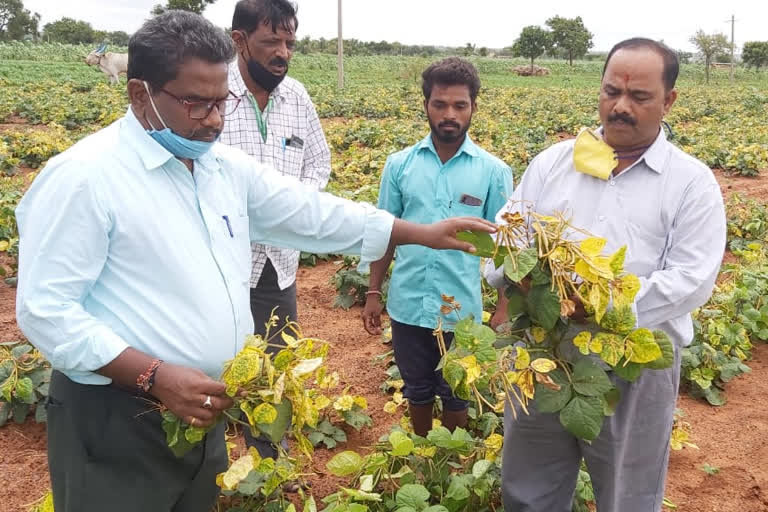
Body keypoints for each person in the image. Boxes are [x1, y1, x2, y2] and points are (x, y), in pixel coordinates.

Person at [15, 12, 495, 512]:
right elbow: (46, 310)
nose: (215, 119)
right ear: (140, 94)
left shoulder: (218, 165)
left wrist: (416, 232)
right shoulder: (84, 177)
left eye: (220, 102)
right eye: (195, 104)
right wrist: (153, 376)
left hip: (202, 412)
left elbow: (310, 212)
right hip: (119, 416)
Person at [485, 38, 726, 512]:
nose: (620, 107)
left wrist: (599, 305)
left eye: (639, 97)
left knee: (627, 495)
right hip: (541, 352)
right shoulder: (554, 162)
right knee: (529, 488)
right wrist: (517, 276)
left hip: (634, 361)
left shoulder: (690, 182)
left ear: (669, 100)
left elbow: (691, 279)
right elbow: (506, 237)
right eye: (611, 91)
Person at [362, 57, 513, 436]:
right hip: (408, 302)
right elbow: (385, 233)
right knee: (417, 388)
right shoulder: (400, 166)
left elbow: (509, 246)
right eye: (440, 104)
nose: (450, 114)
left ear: (473, 108)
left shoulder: (494, 172)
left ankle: (450, 460)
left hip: (461, 306)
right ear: (426, 105)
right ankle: (423, 453)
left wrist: (504, 308)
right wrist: (373, 291)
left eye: (460, 105)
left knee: (457, 391)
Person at [220, 0, 331, 460]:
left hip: (278, 265)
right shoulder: (212, 94)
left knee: (274, 371)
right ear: (239, 41)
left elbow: (319, 163)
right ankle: (208, 468)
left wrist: (290, 209)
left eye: (289, 42)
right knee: (213, 367)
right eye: (271, 42)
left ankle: (269, 464)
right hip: (220, 265)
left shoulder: (297, 97)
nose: (283, 52)